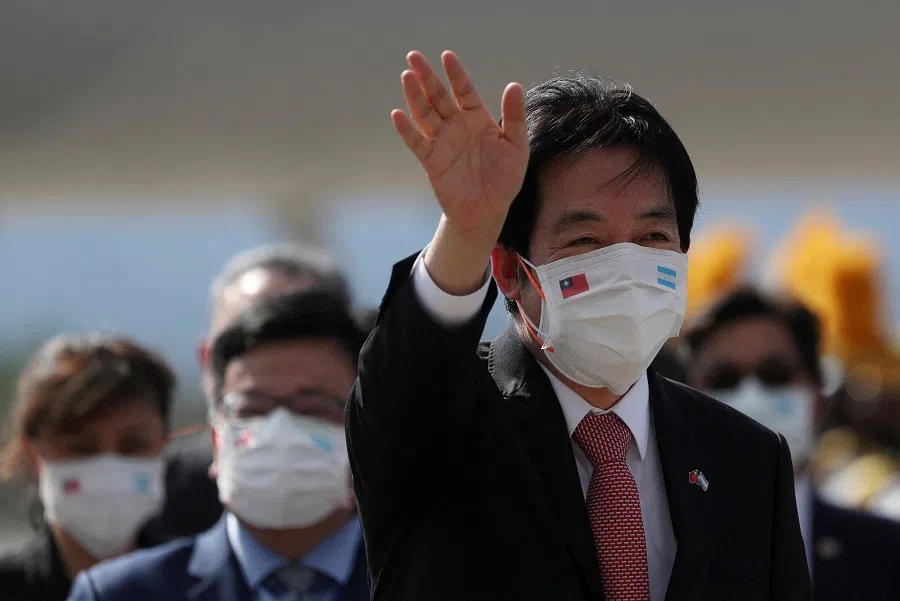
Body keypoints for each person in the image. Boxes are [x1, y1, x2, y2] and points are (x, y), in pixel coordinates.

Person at [346, 50, 810, 601]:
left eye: (653, 238)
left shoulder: (748, 460)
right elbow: (407, 376)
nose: (625, 266)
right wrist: (467, 231)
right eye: (585, 241)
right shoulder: (446, 426)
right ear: (511, 272)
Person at [67, 290, 370, 601]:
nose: (280, 431)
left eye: (312, 408)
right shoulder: (119, 594)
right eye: (252, 409)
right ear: (216, 441)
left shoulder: (417, 583)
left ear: (367, 433)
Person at [682, 286, 900, 601]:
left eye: (775, 375)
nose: (751, 398)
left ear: (817, 399)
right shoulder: (648, 550)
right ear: (684, 403)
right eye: (724, 379)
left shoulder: (888, 553)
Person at [153, 242, 353, 541]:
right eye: (243, 340)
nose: (271, 360)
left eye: (297, 332)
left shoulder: (408, 509)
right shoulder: (156, 499)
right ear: (208, 359)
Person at [0, 334, 175, 601]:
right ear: (34, 455)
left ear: (163, 445)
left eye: (133, 445)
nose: (109, 470)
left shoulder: (211, 588)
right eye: (82, 448)